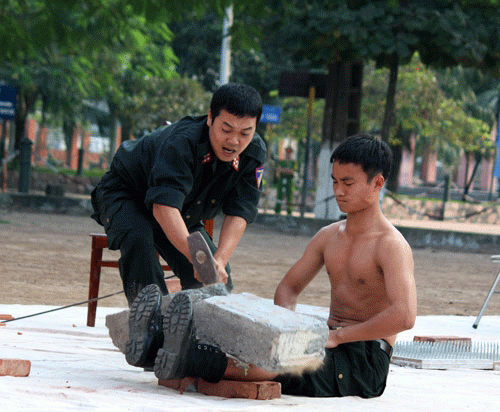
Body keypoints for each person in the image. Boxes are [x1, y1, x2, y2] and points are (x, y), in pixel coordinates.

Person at [125, 133, 417, 398]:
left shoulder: (391, 245)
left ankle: (176, 356)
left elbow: (404, 316)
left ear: (377, 183)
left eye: (348, 183)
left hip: (364, 357)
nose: (339, 191)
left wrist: (339, 336)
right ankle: (159, 343)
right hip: (326, 338)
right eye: (335, 181)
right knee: (259, 342)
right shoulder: (328, 236)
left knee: (271, 365)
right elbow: (288, 288)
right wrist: (284, 328)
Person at [91, 83, 267, 306]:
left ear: (255, 127)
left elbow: (239, 212)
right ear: (211, 117)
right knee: (140, 242)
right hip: (127, 194)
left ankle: (192, 329)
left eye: (245, 133)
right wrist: (198, 258)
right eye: (226, 129)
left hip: (183, 211)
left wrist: (219, 261)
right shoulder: (182, 143)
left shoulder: (254, 154)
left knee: (217, 282)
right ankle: (146, 324)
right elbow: (163, 207)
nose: (234, 141)